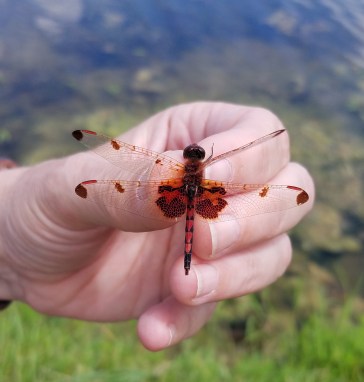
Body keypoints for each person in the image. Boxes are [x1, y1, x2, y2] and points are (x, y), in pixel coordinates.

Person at [0, 102, 314, 351]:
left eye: (194, 153)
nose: (193, 153)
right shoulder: (199, 170)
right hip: (195, 203)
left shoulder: (177, 169)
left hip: (176, 200)